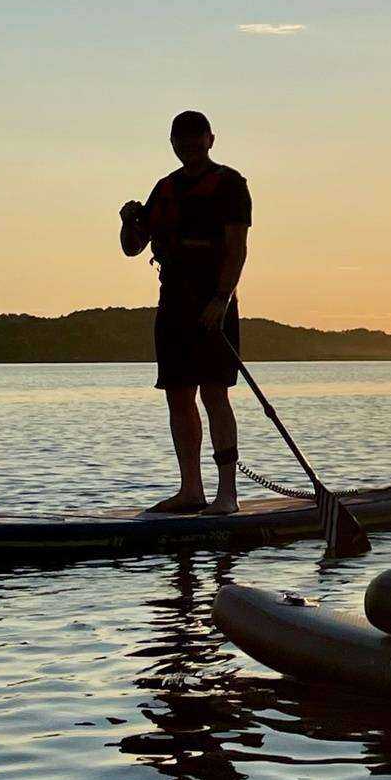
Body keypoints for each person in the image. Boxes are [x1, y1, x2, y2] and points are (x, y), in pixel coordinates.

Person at [119, 110, 252, 514]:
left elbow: (237, 249)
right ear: (173, 143)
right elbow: (132, 247)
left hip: (213, 303)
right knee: (178, 396)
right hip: (173, 305)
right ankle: (190, 490)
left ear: (210, 140)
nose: (189, 151)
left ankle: (226, 495)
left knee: (215, 393)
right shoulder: (165, 189)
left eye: (196, 143)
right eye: (182, 143)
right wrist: (128, 221)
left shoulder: (230, 184)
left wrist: (221, 299)